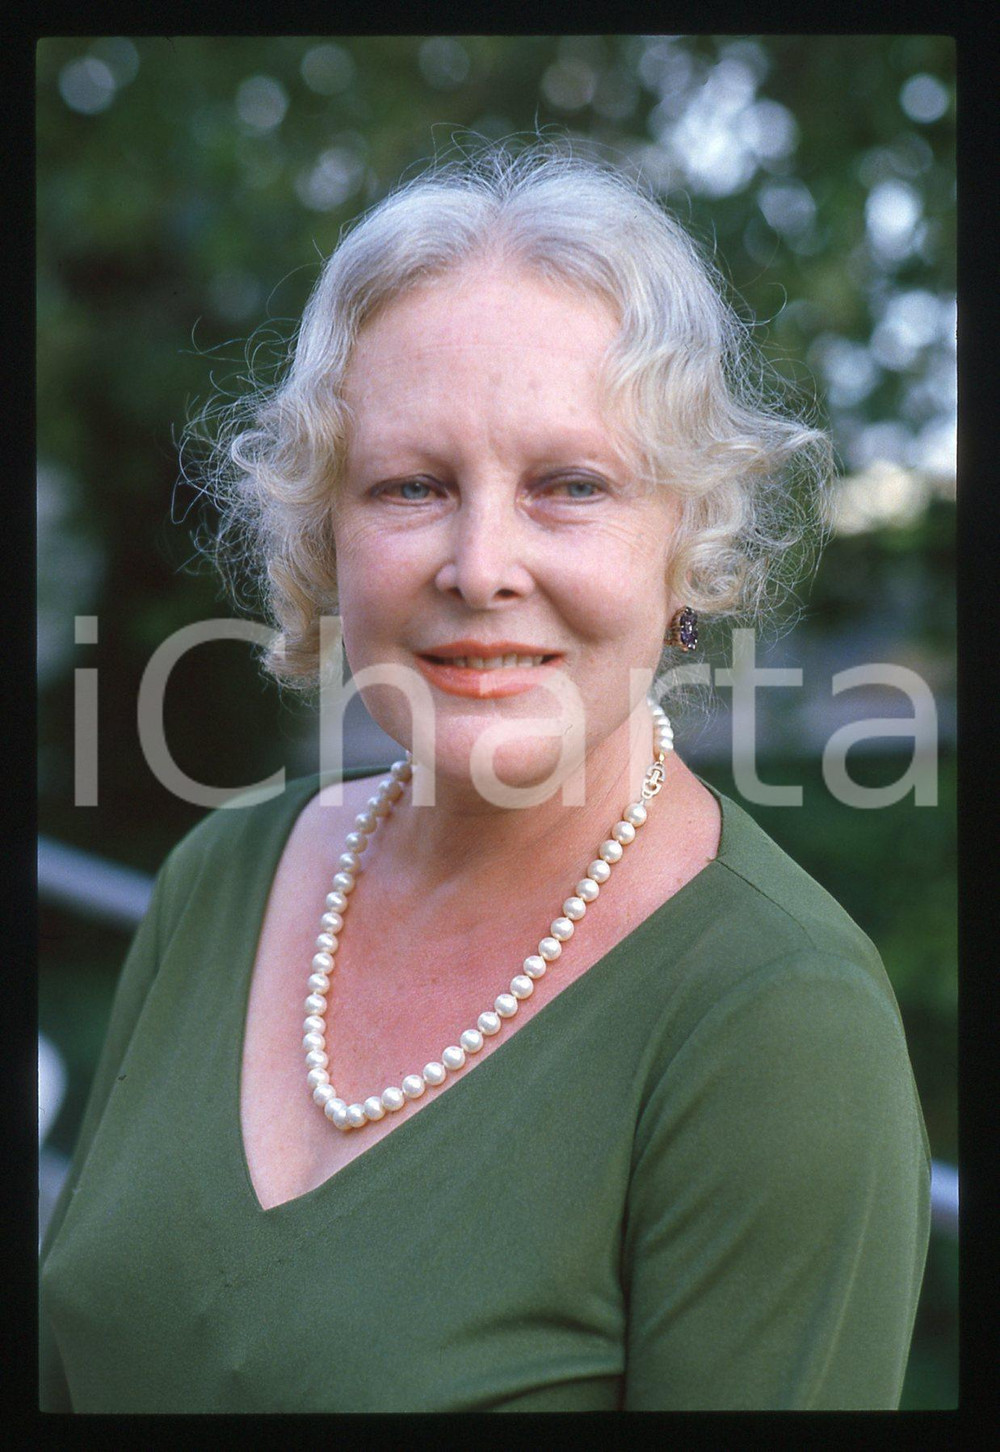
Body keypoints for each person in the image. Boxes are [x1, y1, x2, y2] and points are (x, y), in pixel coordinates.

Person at [39, 146, 930, 1412]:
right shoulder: (220, 876)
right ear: (324, 536)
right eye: (411, 485)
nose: (479, 564)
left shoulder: (779, 1024)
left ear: (688, 547)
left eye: (569, 487)